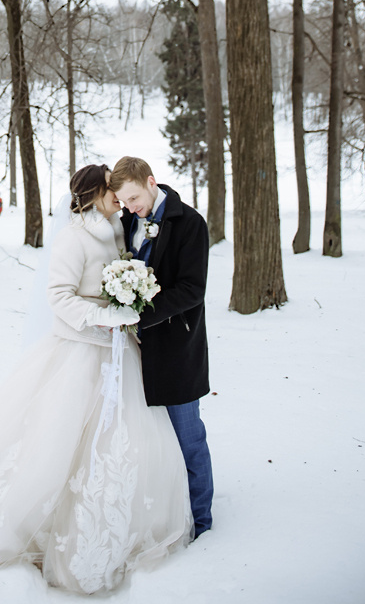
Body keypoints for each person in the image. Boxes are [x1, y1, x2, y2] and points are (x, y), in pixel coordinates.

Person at [0, 163, 191, 595]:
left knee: (121, 442)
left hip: (118, 353)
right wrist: (104, 316)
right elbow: (58, 296)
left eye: (121, 191)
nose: (118, 195)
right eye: (110, 190)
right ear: (94, 194)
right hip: (79, 350)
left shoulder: (118, 228)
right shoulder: (74, 237)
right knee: (60, 439)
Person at [108, 155, 213, 537]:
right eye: (124, 202)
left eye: (134, 198)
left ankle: (201, 520)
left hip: (176, 345)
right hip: (136, 351)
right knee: (150, 439)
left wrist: (141, 315)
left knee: (188, 436)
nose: (131, 208)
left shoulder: (190, 223)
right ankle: (165, 514)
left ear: (151, 182)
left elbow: (192, 290)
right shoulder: (127, 221)